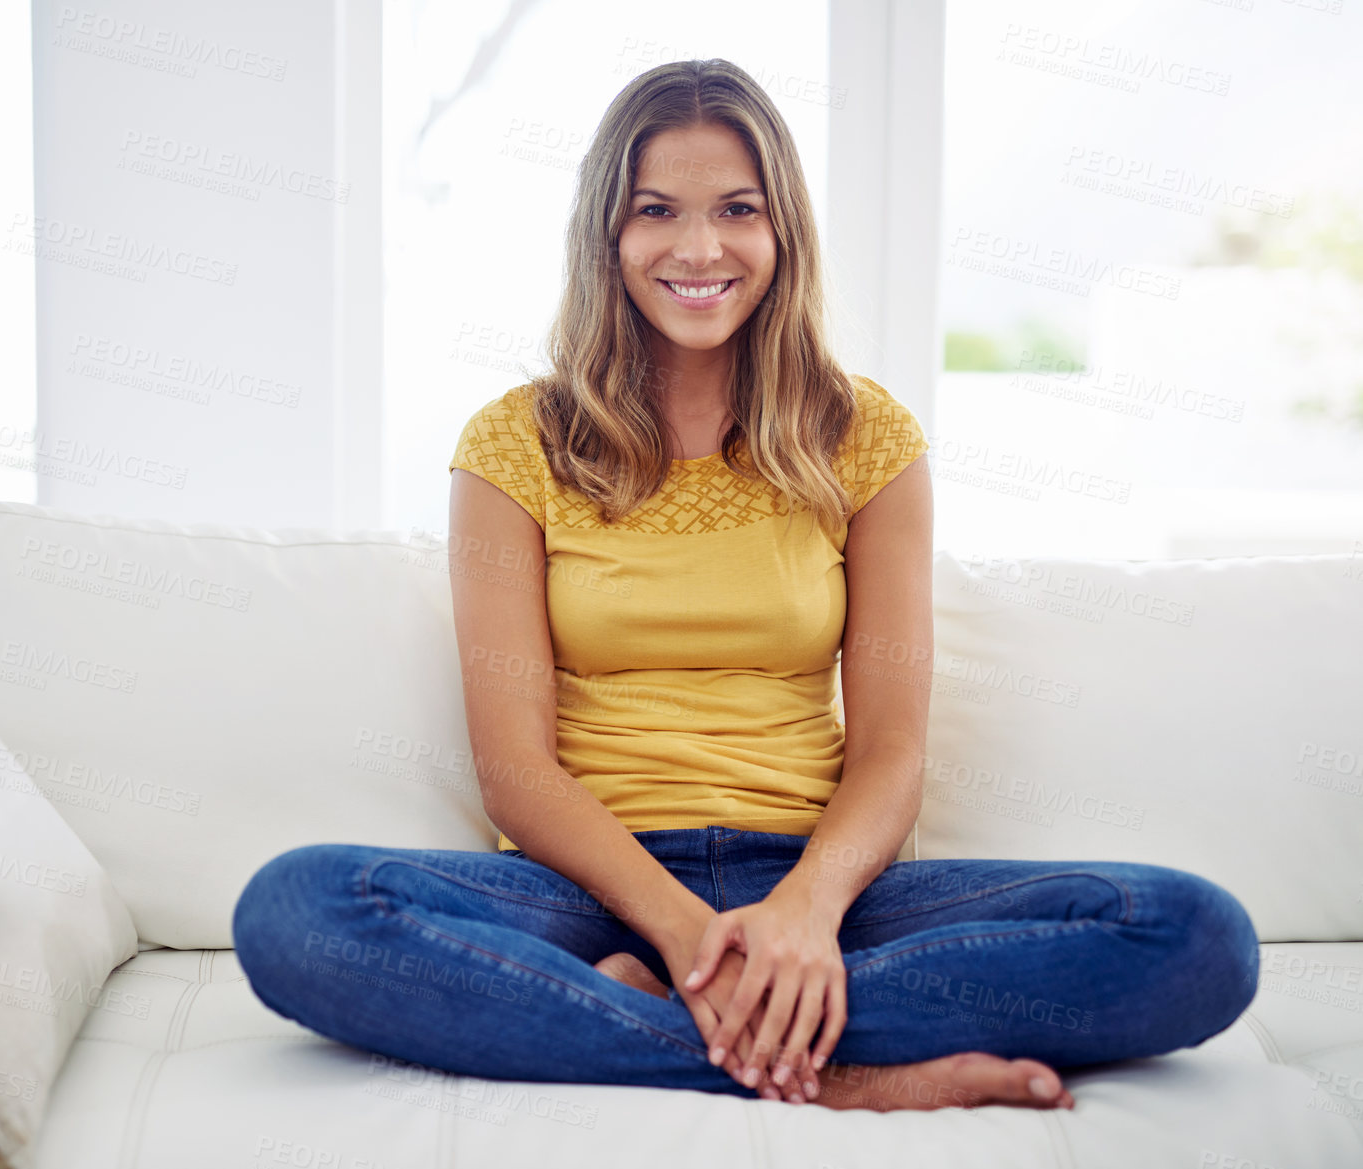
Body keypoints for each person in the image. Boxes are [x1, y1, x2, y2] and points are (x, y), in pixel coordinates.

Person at [232, 58, 1259, 1111]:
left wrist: (805, 914)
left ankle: (642, 1019)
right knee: (299, 908)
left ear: (783, 234)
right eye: (655, 211)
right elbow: (515, 771)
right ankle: (845, 1072)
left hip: (815, 884)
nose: (697, 247)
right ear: (607, 235)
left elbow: (893, 748)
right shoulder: (513, 445)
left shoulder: (868, 440)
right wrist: (685, 935)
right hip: (587, 892)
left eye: (736, 210)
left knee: (1194, 936)